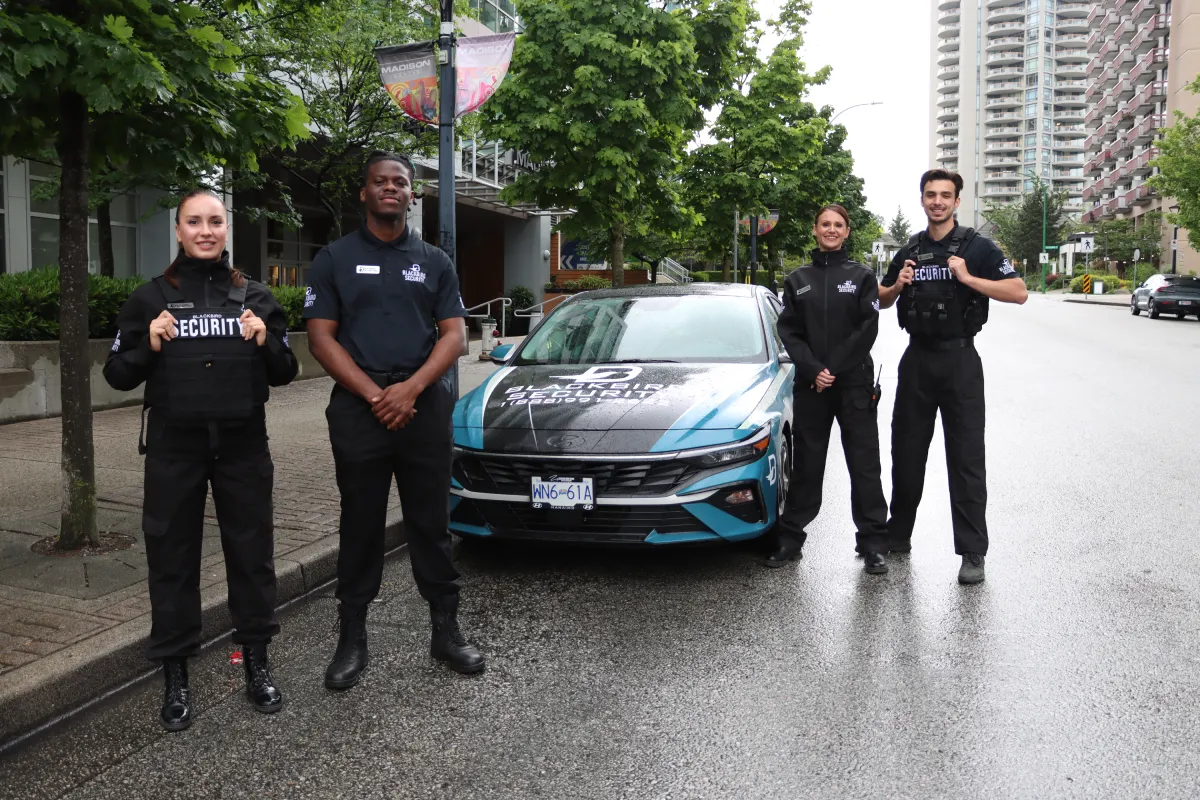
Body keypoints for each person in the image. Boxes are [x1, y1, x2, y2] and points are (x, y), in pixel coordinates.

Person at [103, 189, 298, 731]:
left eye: (215, 221)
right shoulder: (150, 298)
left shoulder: (255, 296)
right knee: (172, 558)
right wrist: (149, 344)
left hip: (242, 446)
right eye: (194, 222)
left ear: (226, 228)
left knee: (252, 554)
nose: (205, 231)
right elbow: (117, 374)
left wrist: (266, 340)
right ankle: (175, 674)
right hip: (174, 447)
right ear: (179, 231)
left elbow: (286, 371)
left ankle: (256, 663)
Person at [303, 152, 483, 689]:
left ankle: (445, 630)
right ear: (364, 192)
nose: (390, 188)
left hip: (422, 405)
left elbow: (455, 336)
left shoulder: (434, 261)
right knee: (360, 524)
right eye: (380, 181)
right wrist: (376, 395)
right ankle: (351, 638)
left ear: (411, 194)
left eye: (399, 182)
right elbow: (321, 338)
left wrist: (410, 390)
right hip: (359, 409)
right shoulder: (333, 258)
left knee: (431, 522)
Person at [877, 169, 1027, 585]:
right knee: (907, 452)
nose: (938, 202)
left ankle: (973, 551)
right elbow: (881, 300)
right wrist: (896, 285)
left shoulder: (978, 247)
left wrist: (969, 278)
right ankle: (898, 535)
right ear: (922, 200)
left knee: (966, 458)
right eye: (931, 195)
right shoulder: (910, 249)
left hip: (961, 361)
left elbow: (1018, 292)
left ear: (957, 201)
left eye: (945, 195)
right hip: (917, 361)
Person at [768, 204, 890, 575]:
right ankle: (791, 539)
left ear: (847, 231)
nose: (831, 230)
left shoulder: (862, 276)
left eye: (838, 225)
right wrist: (813, 369)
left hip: (853, 383)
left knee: (864, 465)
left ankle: (873, 543)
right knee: (807, 464)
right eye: (825, 224)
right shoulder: (797, 279)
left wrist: (831, 368)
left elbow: (867, 328)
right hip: (812, 386)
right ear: (815, 229)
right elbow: (788, 331)